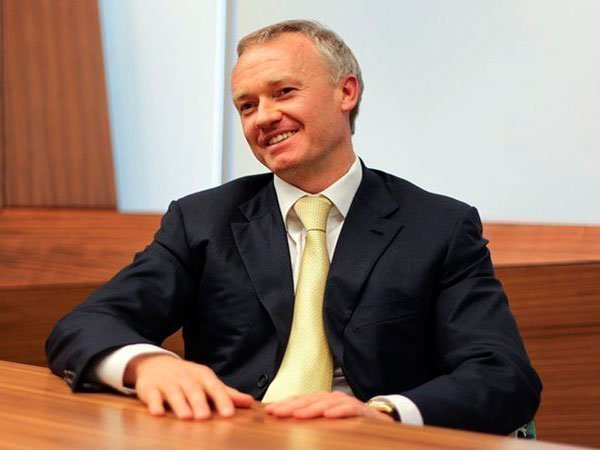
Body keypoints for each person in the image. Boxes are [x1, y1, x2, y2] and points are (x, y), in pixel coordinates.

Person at [46, 19, 541, 434]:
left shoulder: (438, 226)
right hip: (233, 438)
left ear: (346, 92)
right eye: (247, 105)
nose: (264, 117)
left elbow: (504, 376)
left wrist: (383, 414)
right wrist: (147, 364)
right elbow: (84, 325)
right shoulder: (201, 220)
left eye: (283, 92)